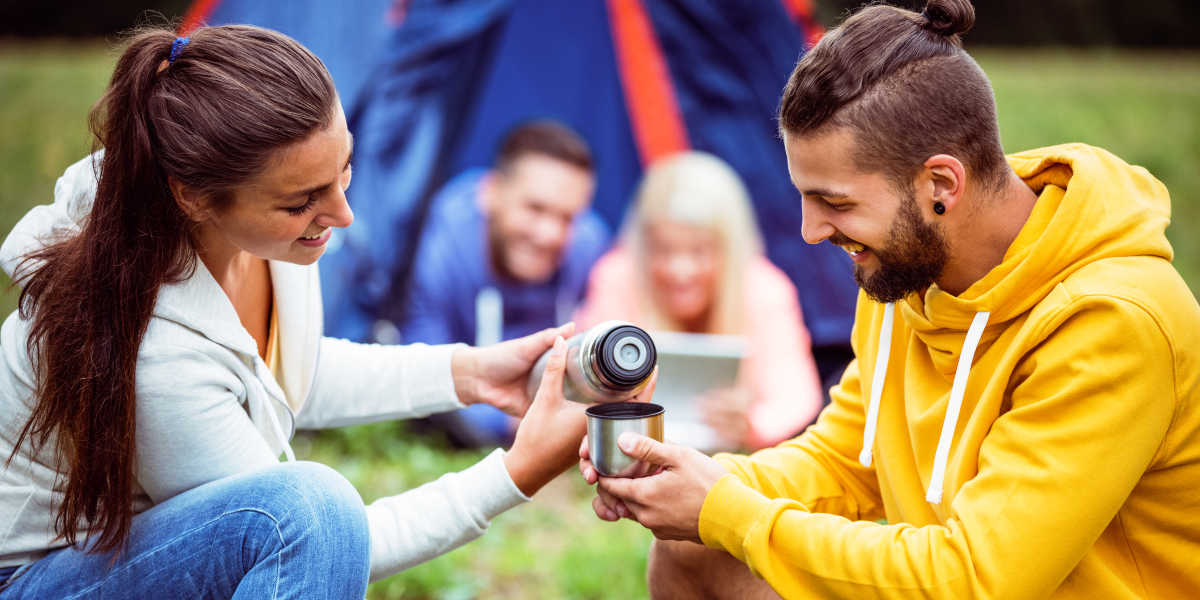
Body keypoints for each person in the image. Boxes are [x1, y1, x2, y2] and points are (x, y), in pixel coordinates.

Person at [578, 1, 1200, 597]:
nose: (811, 232)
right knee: (693, 547)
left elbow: (975, 581)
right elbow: (846, 460)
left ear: (940, 184)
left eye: (837, 202)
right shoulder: (902, 272)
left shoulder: (1115, 322)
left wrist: (727, 511)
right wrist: (688, 479)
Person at [0, 25, 624, 598]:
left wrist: (469, 374)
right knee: (314, 508)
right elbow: (317, 541)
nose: (342, 215)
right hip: (36, 577)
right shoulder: (155, 350)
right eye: (303, 201)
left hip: (128, 552)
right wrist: (515, 473)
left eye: (344, 169)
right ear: (192, 196)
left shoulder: (260, 236)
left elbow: (287, 372)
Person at [575, 151, 824, 451]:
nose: (681, 271)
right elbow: (583, 380)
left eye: (699, 251)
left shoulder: (764, 288)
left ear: (729, 248)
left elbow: (795, 395)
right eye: (664, 250)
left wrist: (752, 425)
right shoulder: (617, 275)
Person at [399, 121, 610, 446]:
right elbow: (423, 370)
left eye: (568, 217)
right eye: (535, 209)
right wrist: (511, 421)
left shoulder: (588, 244)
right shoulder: (439, 246)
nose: (550, 235)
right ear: (490, 193)